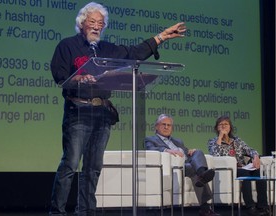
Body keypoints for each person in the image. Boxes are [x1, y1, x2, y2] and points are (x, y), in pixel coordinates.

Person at [49, 2, 187, 216]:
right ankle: (56, 212)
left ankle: (86, 211)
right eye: (92, 22)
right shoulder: (67, 46)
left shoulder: (107, 49)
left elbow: (135, 53)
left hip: (102, 114)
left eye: (100, 23)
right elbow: (60, 75)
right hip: (78, 112)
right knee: (70, 164)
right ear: (82, 23)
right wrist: (79, 77)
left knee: (93, 168)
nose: (96, 26)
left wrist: (161, 37)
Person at [145, 114, 220, 216]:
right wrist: (166, 150)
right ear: (156, 126)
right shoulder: (150, 139)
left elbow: (185, 152)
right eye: (163, 124)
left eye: (169, 125)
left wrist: (190, 151)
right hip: (174, 167)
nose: (166, 127)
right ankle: (205, 208)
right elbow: (150, 150)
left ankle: (202, 174)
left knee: (198, 152)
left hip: (187, 164)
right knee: (192, 168)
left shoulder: (178, 141)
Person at [208, 115, 269, 216]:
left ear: (230, 127)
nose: (223, 126)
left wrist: (255, 156)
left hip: (243, 167)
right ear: (217, 128)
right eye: (220, 124)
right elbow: (215, 155)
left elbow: (250, 150)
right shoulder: (212, 142)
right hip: (231, 170)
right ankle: (250, 207)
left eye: (226, 124)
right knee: (244, 173)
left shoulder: (237, 141)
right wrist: (220, 137)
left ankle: (263, 206)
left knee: (259, 171)